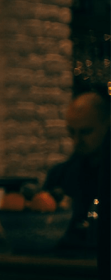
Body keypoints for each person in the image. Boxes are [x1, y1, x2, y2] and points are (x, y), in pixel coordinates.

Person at [42, 91, 110, 251]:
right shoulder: (60, 175)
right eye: (71, 132)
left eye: (86, 132)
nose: (76, 141)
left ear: (107, 125)